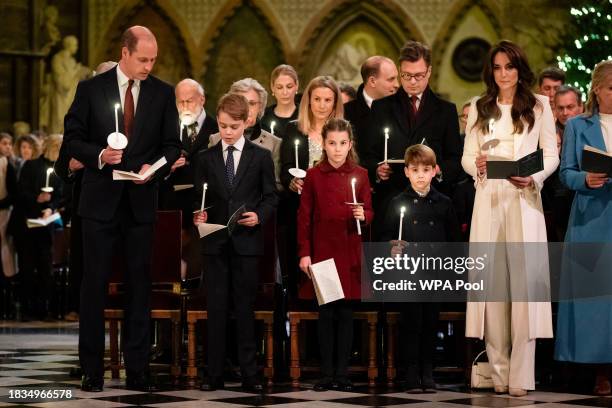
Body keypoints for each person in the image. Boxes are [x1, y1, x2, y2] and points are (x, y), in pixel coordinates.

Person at [64, 25, 181, 392]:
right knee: (93, 286)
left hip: (140, 203)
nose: (149, 66)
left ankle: (138, 368)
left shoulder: (162, 94)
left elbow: (173, 145)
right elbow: (72, 139)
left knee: (139, 286)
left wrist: (154, 168)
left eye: (153, 60)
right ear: (125, 53)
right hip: (98, 203)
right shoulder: (90, 89)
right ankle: (92, 369)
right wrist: (99, 155)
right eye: (143, 59)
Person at [462, 40, 558, 397]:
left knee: (524, 292)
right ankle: (498, 373)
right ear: (491, 71)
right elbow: (468, 157)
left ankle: (521, 376)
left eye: (510, 67)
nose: (504, 74)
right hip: (489, 201)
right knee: (494, 289)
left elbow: (550, 153)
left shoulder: (539, 105)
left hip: (523, 199)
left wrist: (534, 176)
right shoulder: (479, 107)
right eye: (498, 67)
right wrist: (480, 167)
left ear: (520, 69)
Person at [193, 93, 277, 392]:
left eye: (234, 126)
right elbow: (199, 198)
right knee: (215, 309)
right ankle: (213, 374)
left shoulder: (260, 157)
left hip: (246, 244)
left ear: (247, 122)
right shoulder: (205, 158)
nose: (228, 132)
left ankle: (250, 374)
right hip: (215, 244)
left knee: (244, 309)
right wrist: (199, 214)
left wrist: (259, 216)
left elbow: (271, 197)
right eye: (224, 125)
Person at [297, 118, 373, 391]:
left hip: (350, 251)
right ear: (323, 144)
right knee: (326, 314)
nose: (337, 149)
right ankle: (326, 373)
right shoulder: (314, 176)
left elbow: (370, 212)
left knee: (346, 314)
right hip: (324, 252)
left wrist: (363, 214)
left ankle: (342, 373)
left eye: (342, 143)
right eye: (332, 143)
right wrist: (305, 253)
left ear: (350, 144)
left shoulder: (361, 174)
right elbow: (304, 217)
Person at [381, 144, 461, 392]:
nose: (420, 175)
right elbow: (385, 237)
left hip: (435, 271)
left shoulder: (444, 203)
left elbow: (454, 239)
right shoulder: (397, 202)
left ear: (435, 171)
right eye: (414, 170)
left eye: (426, 170)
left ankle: (428, 372)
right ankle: (411, 373)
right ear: (405, 172)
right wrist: (391, 248)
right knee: (411, 323)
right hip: (408, 272)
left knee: (430, 322)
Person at [555, 59, 612, 395]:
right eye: (611, 88)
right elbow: (566, 172)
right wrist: (585, 178)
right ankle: (600, 371)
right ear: (597, 90)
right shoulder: (579, 125)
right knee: (597, 297)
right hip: (592, 216)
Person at [366, 41, 463, 237]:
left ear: (429, 72)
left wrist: (439, 170)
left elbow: (455, 158)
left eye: (418, 75)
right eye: (406, 75)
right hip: (392, 204)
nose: (412, 81)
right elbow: (367, 154)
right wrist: (376, 170)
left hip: (432, 206)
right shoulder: (381, 107)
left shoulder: (446, 110)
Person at [280, 76, 343, 295]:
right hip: (300, 210)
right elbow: (286, 167)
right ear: (308, 101)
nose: (322, 105)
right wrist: (293, 181)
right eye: (317, 99)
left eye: (328, 100)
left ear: (335, 103)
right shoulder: (293, 129)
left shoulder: (343, 131)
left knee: (331, 279)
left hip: (332, 212)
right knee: (301, 275)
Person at [16, 134, 63, 320]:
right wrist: (37, 200)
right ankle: (27, 310)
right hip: (27, 225)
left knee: (46, 269)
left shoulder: (57, 169)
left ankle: (44, 309)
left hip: (45, 227)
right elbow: (21, 192)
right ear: (50, 147)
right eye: (58, 148)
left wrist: (50, 209)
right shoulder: (31, 165)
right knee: (27, 268)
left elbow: (58, 195)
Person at [210, 78, 282, 189]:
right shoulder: (215, 140)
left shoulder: (274, 143)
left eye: (252, 103)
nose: (246, 109)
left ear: (260, 106)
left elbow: (276, 187)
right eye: (241, 101)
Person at [542, 86, 583, 241]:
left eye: (570, 107)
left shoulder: (589, 130)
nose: (565, 113)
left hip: (583, 196)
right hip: (555, 200)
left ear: (581, 106)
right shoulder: (548, 132)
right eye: (560, 108)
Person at [344, 56, 399, 165]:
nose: (397, 84)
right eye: (391, 79)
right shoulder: (346, 112)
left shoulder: (403, 109)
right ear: (372, 81)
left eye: (397, 78)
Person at [261, 64, 299, 140]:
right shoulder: (263, 118)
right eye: (279, 87)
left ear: (297, 85)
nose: (285, 92)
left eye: (289, 87)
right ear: (272, 87)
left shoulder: (307, 115)